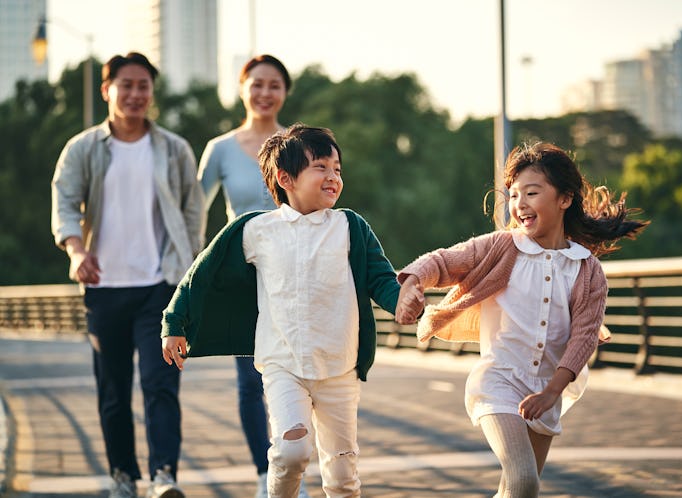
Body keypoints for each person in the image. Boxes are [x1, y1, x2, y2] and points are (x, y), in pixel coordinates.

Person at [161, 124, 422, 498]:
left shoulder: (350, 227)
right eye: (321, 167)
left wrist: (403, 302)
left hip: (340, 367)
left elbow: (381, 280)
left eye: (337, 169)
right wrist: (175, 322)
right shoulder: (256, 230)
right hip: (283, 365)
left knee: (343, 475)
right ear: (285, 178)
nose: (333, 177)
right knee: (290, 452)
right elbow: (201, 274)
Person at [395, 142, 648, 497]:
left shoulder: (587, 270)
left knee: (518, 491)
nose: (519, 204)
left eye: (531, 192)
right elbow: (442, 261)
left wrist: (552, 391)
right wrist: (412, 283)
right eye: (514, 195)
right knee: (524, 480)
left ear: (565, 199)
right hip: (499, 381)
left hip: (548, 388)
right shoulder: (502, 247)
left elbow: (584, 337)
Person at [51, 52, 205, 498]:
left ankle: (163, 476)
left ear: (152, 93)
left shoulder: (174, 148)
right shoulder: (83, 149)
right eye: (127, 85)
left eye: (144, 86)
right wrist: (76, 250)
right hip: (103, 286)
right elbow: (64, 202)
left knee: (161, 385)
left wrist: (188, 265)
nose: (136, 94)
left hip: (161, 286)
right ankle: (123, 476)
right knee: (114, 390)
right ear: (108, 90)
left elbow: (194, 209)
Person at [197, 54, 308, 498]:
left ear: (284, 92)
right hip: (243, 280)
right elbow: (193, 210)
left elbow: (322, 195)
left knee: (301, 375)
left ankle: (294, 469)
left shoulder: (301, 143)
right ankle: (268, 474)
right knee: (250, 381)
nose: (265, 93)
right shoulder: (221, 149)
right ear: (242, 88)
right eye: (256, 84)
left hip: (298, 274)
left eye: (274, 85)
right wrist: (198, 273)